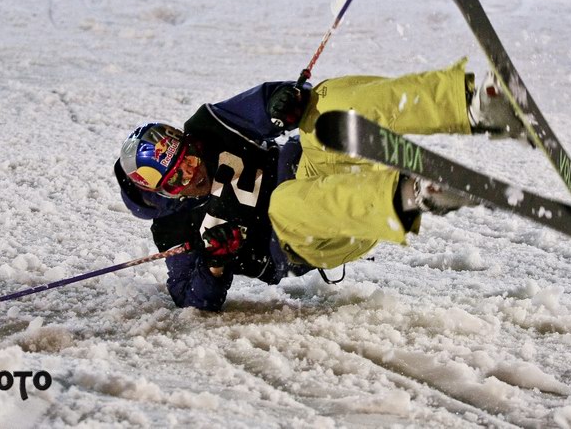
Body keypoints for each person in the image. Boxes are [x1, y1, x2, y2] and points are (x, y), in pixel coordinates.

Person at [115, 58, 524, 311]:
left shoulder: (209, 126)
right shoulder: (172, 229)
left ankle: (472, 104)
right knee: (285, 204)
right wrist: (217, 262)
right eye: (178, 179)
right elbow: (190, 297)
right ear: (162, 193)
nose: (193, 172)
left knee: (323, 106)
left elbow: (264, 102)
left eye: (187, 157)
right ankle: (409, 193)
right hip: (317, 235)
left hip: (315, 166)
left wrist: (285, 103)